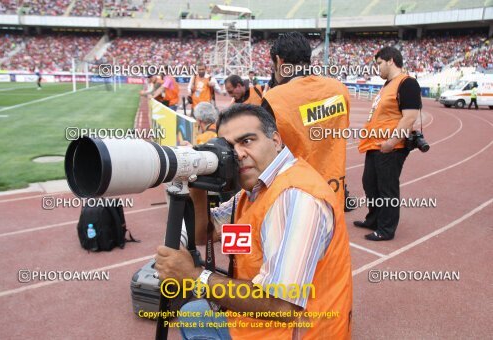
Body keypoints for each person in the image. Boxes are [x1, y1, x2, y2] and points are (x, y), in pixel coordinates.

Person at [155, 104, 353, 340]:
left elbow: (283, 307)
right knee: (190, 313)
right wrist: (197, 181)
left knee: (194, 313)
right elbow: (202, 234)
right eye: (229, 147)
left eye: (247, 141)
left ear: (276, 141)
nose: (237, 154)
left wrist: (195, 276)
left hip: (293, 329)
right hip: (255, 316)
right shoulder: (254, 191)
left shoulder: (297, 196)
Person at [262, 32, 350, 209]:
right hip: (333, 188)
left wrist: (265, 104)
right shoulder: (339, 89)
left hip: (295, 194)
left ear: (279, 61)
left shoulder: (275, 98)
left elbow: (264, 151)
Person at [355, 46, 421, 241]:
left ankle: (386, 229)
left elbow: (409, 118)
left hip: (390, 147)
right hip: (375, 145)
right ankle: (374, 219)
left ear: (390, 60)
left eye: (379, 63)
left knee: (387, 188)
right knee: (370, 184)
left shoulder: (407, 83)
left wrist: (391, 143)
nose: (378, 68)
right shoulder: (387, 86)